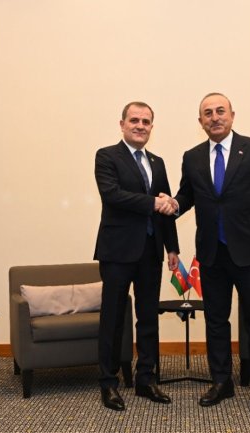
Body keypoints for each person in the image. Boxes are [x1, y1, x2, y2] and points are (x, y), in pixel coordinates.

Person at [163, 93, 250, 414]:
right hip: (211, 253)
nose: (214, 117)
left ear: (232, 115)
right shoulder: (192, 157)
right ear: (200, 121)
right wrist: (173, 204)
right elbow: (187, 196)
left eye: (220, 111)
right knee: (216, 321)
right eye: (208, 113)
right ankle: (221, 382)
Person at [94, 101, 180, 411]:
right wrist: (153, 203)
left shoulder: (157, 162)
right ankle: (108, 382)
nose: (140, 126)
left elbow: (166, 206)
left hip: (150, 252)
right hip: (117, 251)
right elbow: (112, 195)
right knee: (113, 318)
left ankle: (146, 379)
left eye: (146, 121)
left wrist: (172, 247)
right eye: (134, 120)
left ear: (151, 127)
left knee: (148, 317)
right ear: (122, 124)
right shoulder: (107, 156)